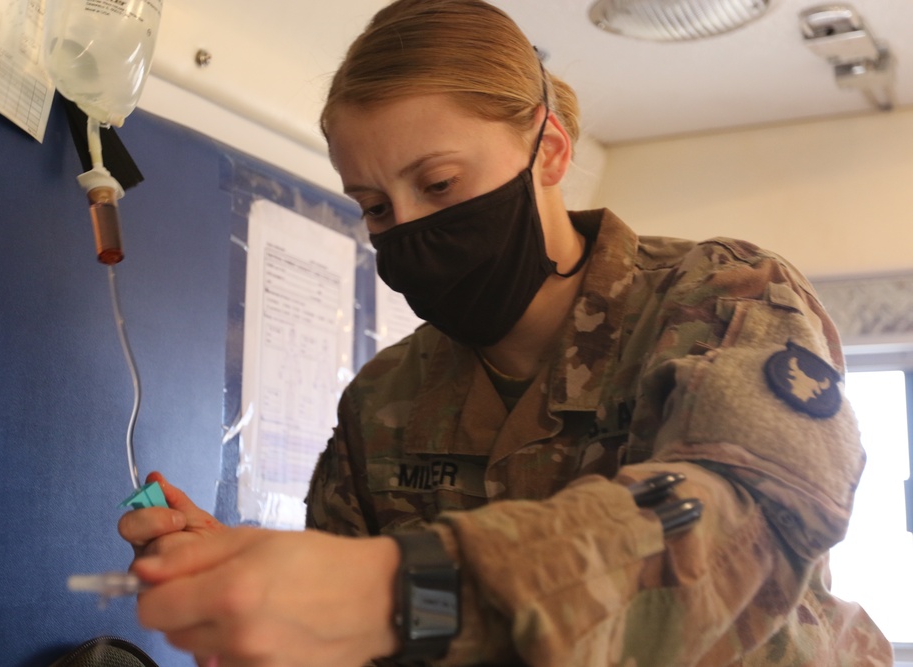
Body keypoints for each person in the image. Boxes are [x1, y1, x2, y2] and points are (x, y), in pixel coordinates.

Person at [118, 0, 894, 665]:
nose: (410, 227)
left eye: (440, 184)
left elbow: (747, 513)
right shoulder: (385, 399)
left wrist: (397, 587)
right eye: (376, 207)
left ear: (549, 151)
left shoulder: (721, 298)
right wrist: (249, 586)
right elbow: (363, 630)